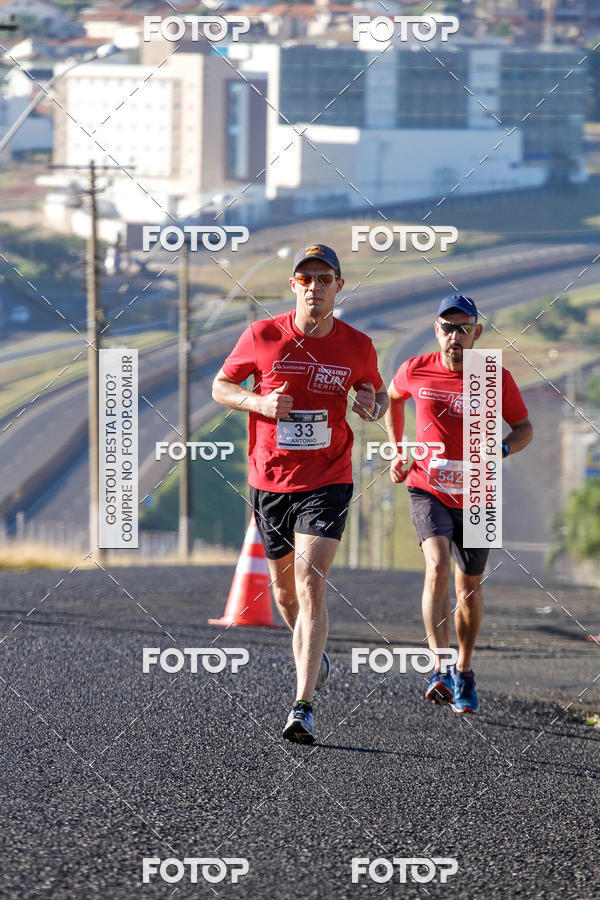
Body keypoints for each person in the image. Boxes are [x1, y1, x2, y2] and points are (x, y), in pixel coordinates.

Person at [212, 243, 388, 743]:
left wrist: (369, 404)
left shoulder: (358, 345)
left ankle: (302, 706)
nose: (315, 287)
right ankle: (312, 648)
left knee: (311, 582)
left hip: (329, 477)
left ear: (338, 286)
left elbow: (373, 399)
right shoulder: (263, 335)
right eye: (305, 279)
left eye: (324, 278)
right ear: (293, 285)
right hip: (270, 479)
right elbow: (220, 388)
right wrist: (260, 403)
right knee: (287, 595)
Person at [385, 293, 533, 714]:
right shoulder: (415, 369)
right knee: (436, 565)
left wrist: (500, 451)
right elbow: (392, 399)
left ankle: (464, 671)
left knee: (469, 587)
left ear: (476, 333)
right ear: (436, 330)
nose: (454, 336)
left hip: (480, 492)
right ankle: (440, 667)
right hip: (427, 487)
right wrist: (399, 450)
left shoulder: (493, 377)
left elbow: (524, 428)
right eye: (447, 327)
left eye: (463, 328)